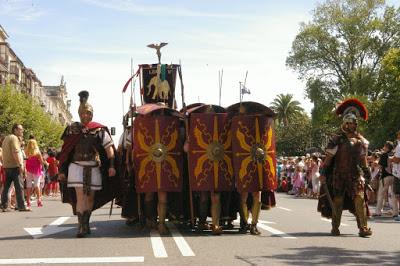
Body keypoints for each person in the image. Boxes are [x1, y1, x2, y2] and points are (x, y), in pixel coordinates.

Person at [58, 91, 117, 237]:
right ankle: (81, 226)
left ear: (92, 114)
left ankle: (86, 223)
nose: (86, 115)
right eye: (83, 113)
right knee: (80, 197)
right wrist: (62, 170)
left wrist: (111, 166)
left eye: (88, 113)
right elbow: (65, 152)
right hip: (76, 167)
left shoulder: (99, 130)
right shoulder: (72, 129)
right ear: (79, 114)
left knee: (90, 197)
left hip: (93, 167)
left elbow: (109, 150)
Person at [318, 98, 372, 237]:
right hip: (339, 175)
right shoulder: (337, 139)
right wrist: (323, 173)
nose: (353, 126)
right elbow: (328, 159)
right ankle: (335, 227)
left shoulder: (361, 140)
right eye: (350, 123)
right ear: (345, 124)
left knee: (360, 200)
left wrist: (367, 174)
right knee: (338, 202)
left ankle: (363, 228)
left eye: (354, 123)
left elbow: (363, 158)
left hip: (356, 175)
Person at [1, 124, 30, 212]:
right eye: (21, 129)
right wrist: (20, 165)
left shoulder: (6, 138)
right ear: (15, 130)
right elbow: (16, 151)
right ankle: (21, 206)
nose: (22, 131)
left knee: (6, 187)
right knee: (19, 187)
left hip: (7, 166)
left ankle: (4, 206)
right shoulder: (14, 138)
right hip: (14, 166)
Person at [25, 139, 48, 207]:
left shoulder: (26, 152)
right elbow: (41, 162)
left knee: (28, 185)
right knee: (37, 184)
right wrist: (45, 163)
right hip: (36, 170)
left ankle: (28, 201)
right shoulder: (37, 153)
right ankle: (39, 200)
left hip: (28, 170)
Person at [390, 131, 400, 221]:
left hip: (398, 173)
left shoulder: (399, 146)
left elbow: (397, 159)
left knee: (398, 195)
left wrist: (391, 159)